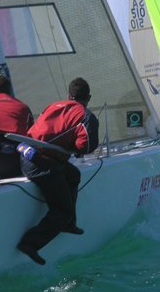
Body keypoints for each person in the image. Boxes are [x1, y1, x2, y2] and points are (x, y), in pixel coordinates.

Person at [17, 77, 99, 265]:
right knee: (62, 210)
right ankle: (30, 243)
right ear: (89, 98)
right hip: (41, 163)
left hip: (26, 155)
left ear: (69, 96)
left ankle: (69, 224)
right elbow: (86, 146)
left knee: (73, 174)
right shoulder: (86, 116)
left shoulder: (53, 106)